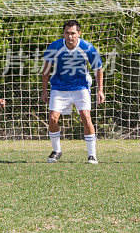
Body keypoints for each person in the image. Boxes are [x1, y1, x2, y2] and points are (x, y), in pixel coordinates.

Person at [40, 20, 104, 164]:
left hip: (80, 87)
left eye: (73, 33)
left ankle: (92, 155)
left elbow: (98, 68)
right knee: (53, 119)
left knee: (86, 117)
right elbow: (46, 70)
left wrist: (100, 90)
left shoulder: (87, 48)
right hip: (58, 87)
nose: (70, 36)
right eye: (67, 33)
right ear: (64, 33)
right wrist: (44, 90)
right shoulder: (55, 47)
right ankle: (56, 151)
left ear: (79, 33)